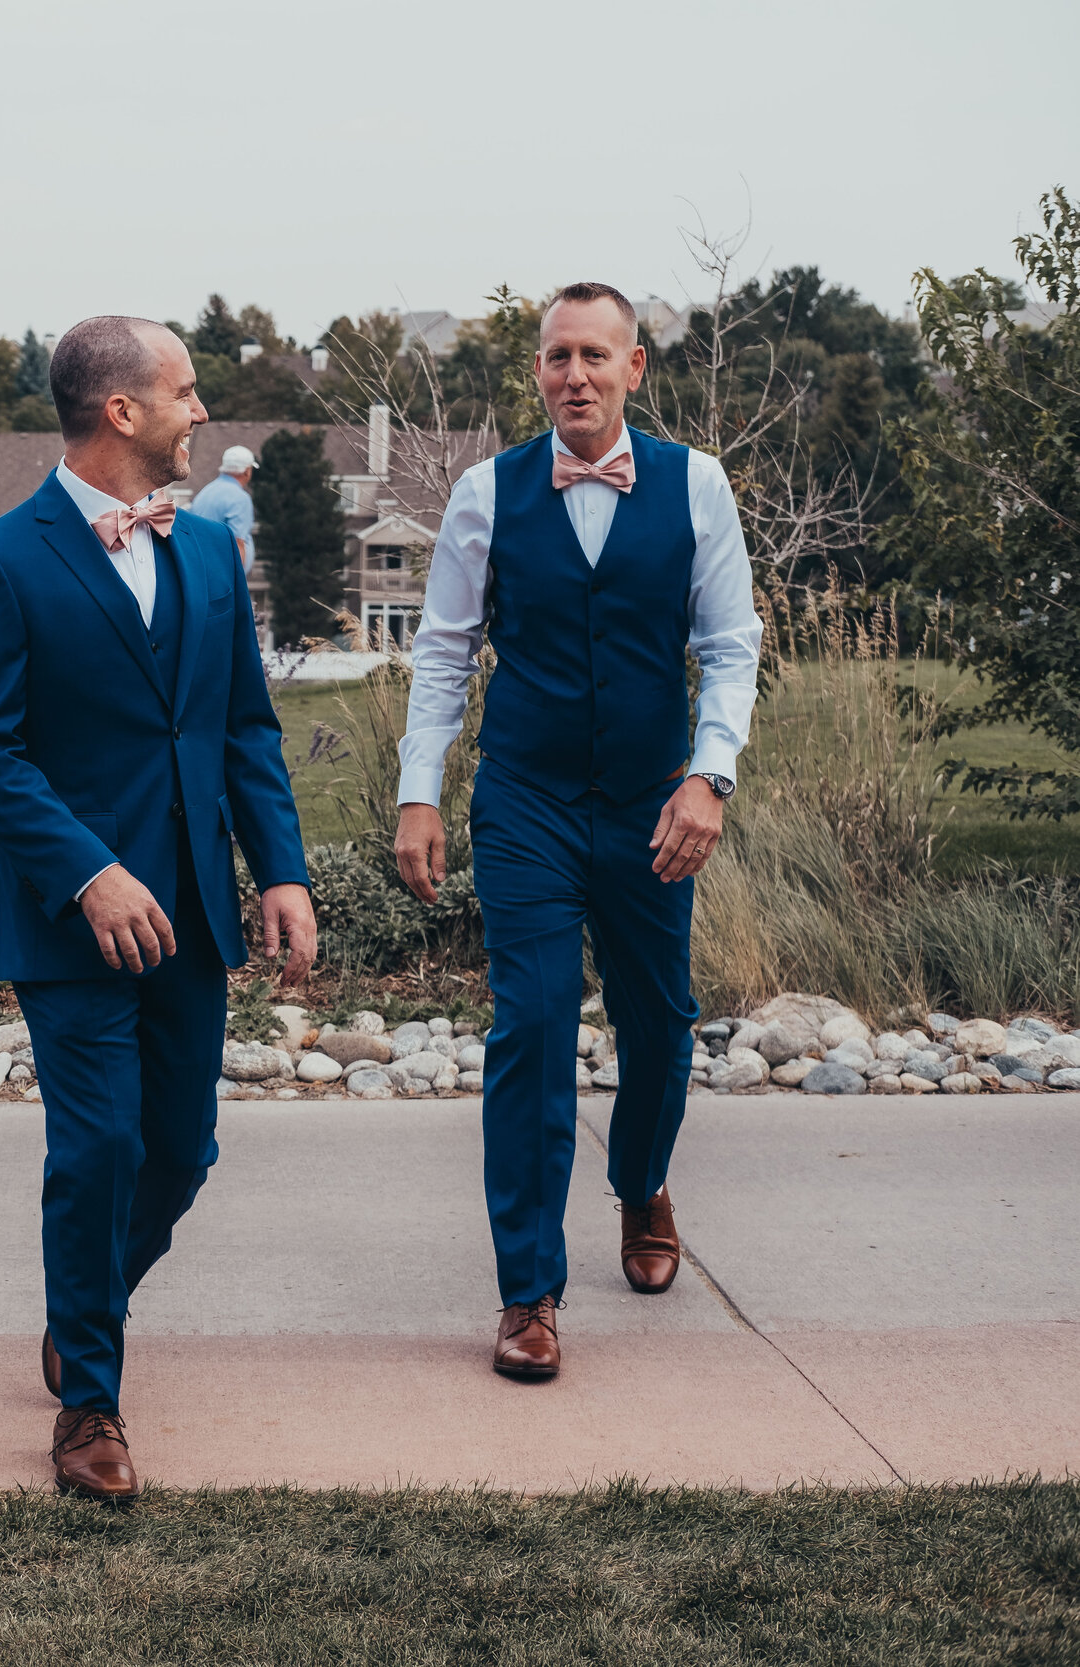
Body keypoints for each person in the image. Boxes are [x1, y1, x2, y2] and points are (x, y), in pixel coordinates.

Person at [0, 316, 317, 1500]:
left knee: (180, 1152)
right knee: (98, 1144)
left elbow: (243, 726)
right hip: (69, 917)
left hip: (192, 907)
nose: (200, 411)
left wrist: (283, 869)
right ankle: (89, 1407)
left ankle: (80, 1309)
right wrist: (86, 870)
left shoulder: (206, 551)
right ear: (121, 410)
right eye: (184, 391)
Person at [392, 281, 761, 1381]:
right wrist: (419, 791)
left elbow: (730, 644)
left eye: (596, 355)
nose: (575, 375)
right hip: (528, 802)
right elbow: (444, 648)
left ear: (633, 367)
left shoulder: (696, 483)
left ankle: (641, 1180)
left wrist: (709, 779)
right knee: (535, 1025)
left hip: (654, 803)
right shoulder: (486, 491)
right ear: (538, 370)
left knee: (659, 1024)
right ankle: (528, 1290)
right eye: (558, 355)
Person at [190, 443, 258, 574]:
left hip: (203, 569)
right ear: (247, 471)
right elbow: (237, 543)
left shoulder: (206, 491)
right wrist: (236, 580)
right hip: (223, 574)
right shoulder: (240, 498)